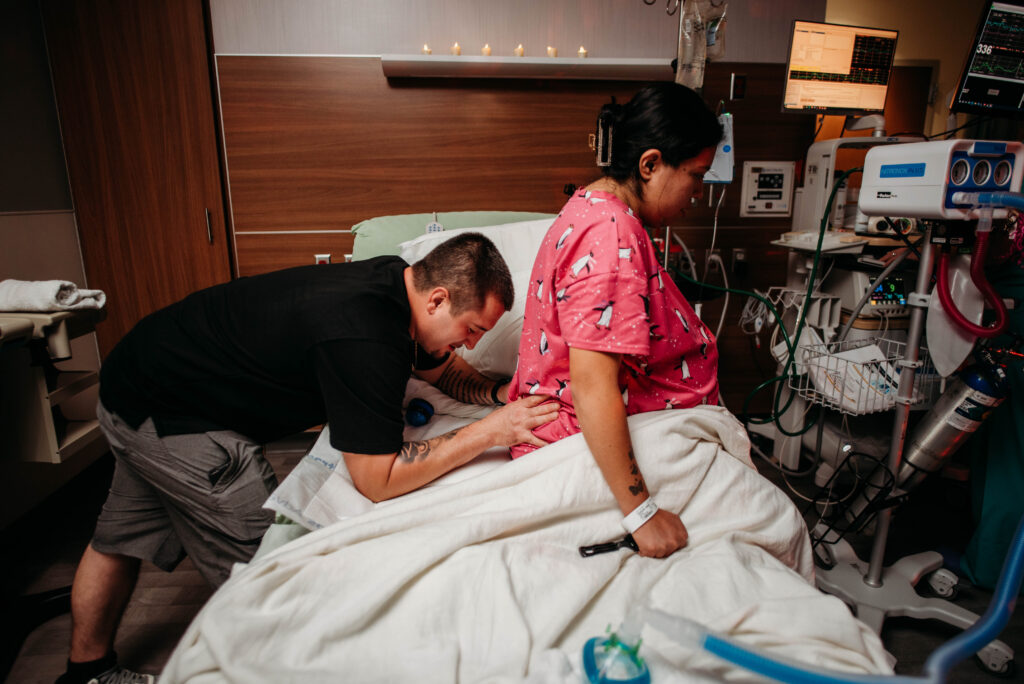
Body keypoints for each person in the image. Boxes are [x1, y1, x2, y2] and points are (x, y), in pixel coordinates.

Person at [58, 232, 558, 684]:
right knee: (273, 570)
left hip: (138, 376)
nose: (471, 344)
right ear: (438, 299)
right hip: (168, 412)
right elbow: (376, 479)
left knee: (119, 538)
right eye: (471, 329)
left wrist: (502, 397)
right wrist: (489, 433)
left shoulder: (395, 283)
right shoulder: (365, 335)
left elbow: (443, 371)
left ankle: (86, 672)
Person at [508, 83, 723, 559]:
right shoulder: (610, 233)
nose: (699, 194)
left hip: (616, 419)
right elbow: (593, 385)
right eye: (696, 176)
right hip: (583, 438)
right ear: (650, 164)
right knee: (771, 520)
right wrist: (641, 514)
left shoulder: (590, 207)